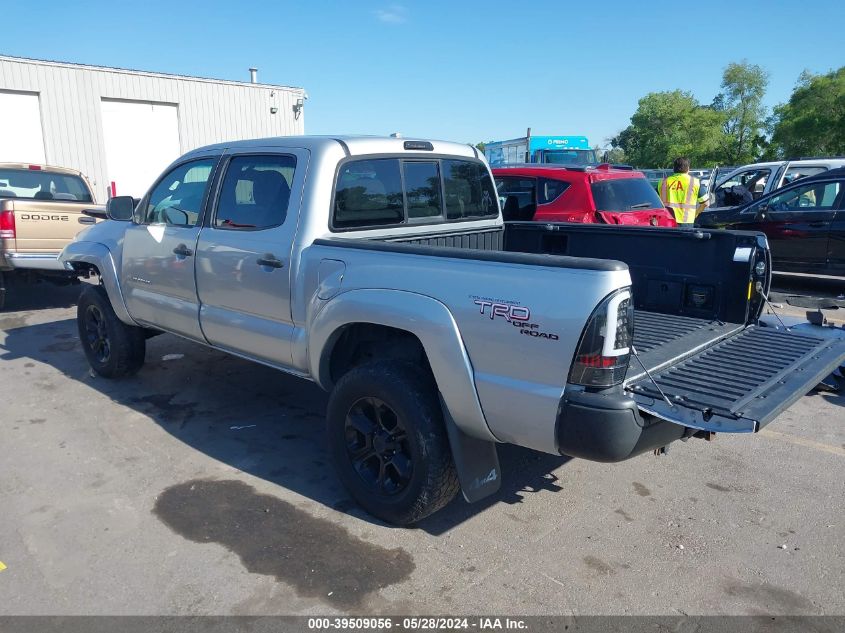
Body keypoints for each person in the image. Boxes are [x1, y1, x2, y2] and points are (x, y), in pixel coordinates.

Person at [658, 157, 708, 226]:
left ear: (673, 168)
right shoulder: (695, 182)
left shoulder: (663, 182)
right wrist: (696, 213)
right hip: (687, 222)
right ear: (688, 168)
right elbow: (706, 203)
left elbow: (654, 201)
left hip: (667, 220)